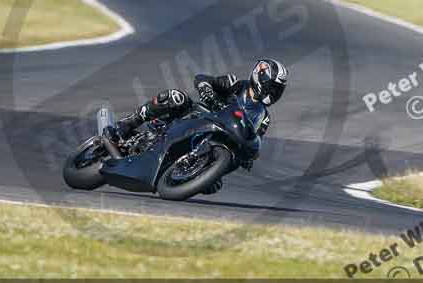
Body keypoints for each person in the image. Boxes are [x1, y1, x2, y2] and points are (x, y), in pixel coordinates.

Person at [104, 59, 288, 193]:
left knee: (214, 186)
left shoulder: (263, 117)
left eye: (277, 90)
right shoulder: (235, 84)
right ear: (260, 78)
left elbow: (255, 138)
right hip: (196, 117)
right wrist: (206, 90)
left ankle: (191, 171)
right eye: (272, 87)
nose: (273, 93)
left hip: (220, 138)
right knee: (175, 97)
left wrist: (248, 157)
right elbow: (202, 78)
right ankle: (127, 124)